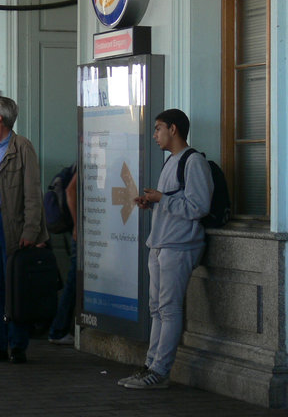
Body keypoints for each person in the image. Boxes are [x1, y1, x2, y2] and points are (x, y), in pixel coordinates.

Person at [118, 108, 213, 390]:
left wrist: (162, 199)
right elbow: (175, 201)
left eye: (159, 128)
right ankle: (150, 365)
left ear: (174, 129)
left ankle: (160, 371)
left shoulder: (193, 162)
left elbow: (199, 207)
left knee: (169, 309)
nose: (155, 134)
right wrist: (154, 202)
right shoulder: (171, 162)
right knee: (157, 309)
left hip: (179, 244)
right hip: (160, 243)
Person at [0, 96, 48, 364]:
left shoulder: (22, 148)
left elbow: (32, 194)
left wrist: (31, 230)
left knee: (15, 287)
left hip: (12, 225)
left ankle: (17, 345)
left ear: (0, 119)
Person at [48, 169, 78, 345]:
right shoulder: (86, 162)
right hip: (80, 231)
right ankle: (58, 330)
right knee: (74, 282)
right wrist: (77, 225)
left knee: (74, 281)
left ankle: (59, 329)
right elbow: (70, 191)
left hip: (80, 230)